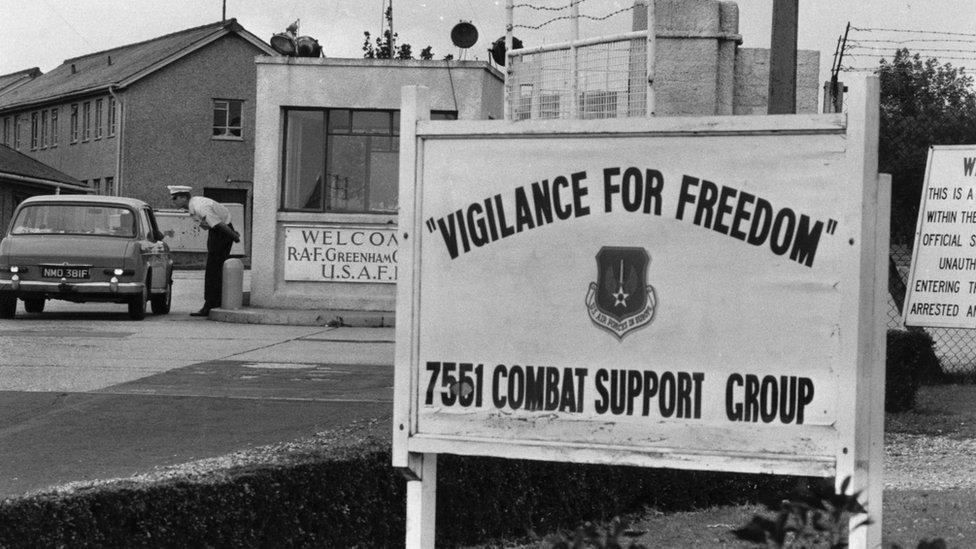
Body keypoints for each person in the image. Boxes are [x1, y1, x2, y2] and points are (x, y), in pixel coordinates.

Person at [167, 185, 240, 317]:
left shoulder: (200, 206)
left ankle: (211, 304)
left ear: (183, 197)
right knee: (213, 268)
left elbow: (219, 224)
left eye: (175, 198)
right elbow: (208, 225)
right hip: (217, 232)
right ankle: (213, 302)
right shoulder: (194, 206)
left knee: (214, 269)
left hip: (222, 233)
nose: (173, 201)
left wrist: (234, 237)